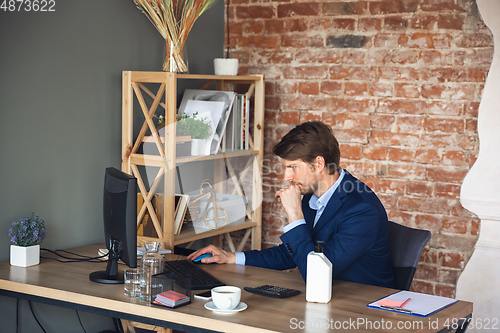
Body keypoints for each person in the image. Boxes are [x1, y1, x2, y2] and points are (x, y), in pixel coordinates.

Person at [188, 121, 395, 288]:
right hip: (326, 298)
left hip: (361, 310)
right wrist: (232, 257)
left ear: (319, 164)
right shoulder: (311, 194)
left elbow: (317, 275)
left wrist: (295, 215)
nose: (287, 177)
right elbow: (293, 253)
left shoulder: (361, 210)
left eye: (293, 167)